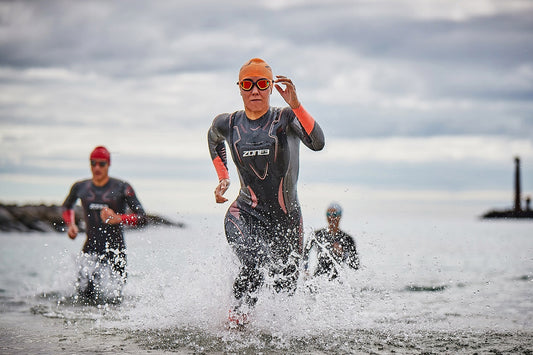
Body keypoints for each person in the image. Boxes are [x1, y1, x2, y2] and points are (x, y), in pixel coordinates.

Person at [207, 58, 325, 325]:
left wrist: (296, 104)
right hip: (245, 213)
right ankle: (235, 325)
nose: (255, 91)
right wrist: (223, 177)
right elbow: (213, 140)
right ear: (240, 88)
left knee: (285, 294)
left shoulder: (285, 118)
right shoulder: (228, 123)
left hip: (286, 220)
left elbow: (318, 143)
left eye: (262, 84)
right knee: (254, 263)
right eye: (248, 84)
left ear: (271, 87)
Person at [62, 146, 146, 303]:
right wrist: (70, 225)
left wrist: (119, 218)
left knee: (115, 299)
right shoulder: (80, 187)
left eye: (101, 164)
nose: (97, 168)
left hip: (116, 249)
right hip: (90, 248)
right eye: (93, 163)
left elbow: (142, 218)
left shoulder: (122, 187)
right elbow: (66, 207)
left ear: (108, 164)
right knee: (82, 297)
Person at [303, 203, 359, 280]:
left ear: (340, 216)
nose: (331, 217)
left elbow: (355, 265)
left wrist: (343, 253)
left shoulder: (347, 239)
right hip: (319, 278)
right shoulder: (317, 235)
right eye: (329, 214)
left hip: (338, 279)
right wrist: (306, 271)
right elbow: (305, 253)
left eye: (335, 214)